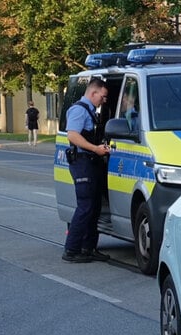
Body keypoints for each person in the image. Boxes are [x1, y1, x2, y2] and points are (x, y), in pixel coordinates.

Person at [63, 78, 111, 263]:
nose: (104, 100)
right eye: (103, 96)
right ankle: (71, 249)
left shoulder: (90, 111)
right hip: (82, 162)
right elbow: (73, 135)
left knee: (94, 207)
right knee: (85, 206)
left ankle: (88, 248)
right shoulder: (79, 110)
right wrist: (95, 149)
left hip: (91, 162)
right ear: (93, 93)